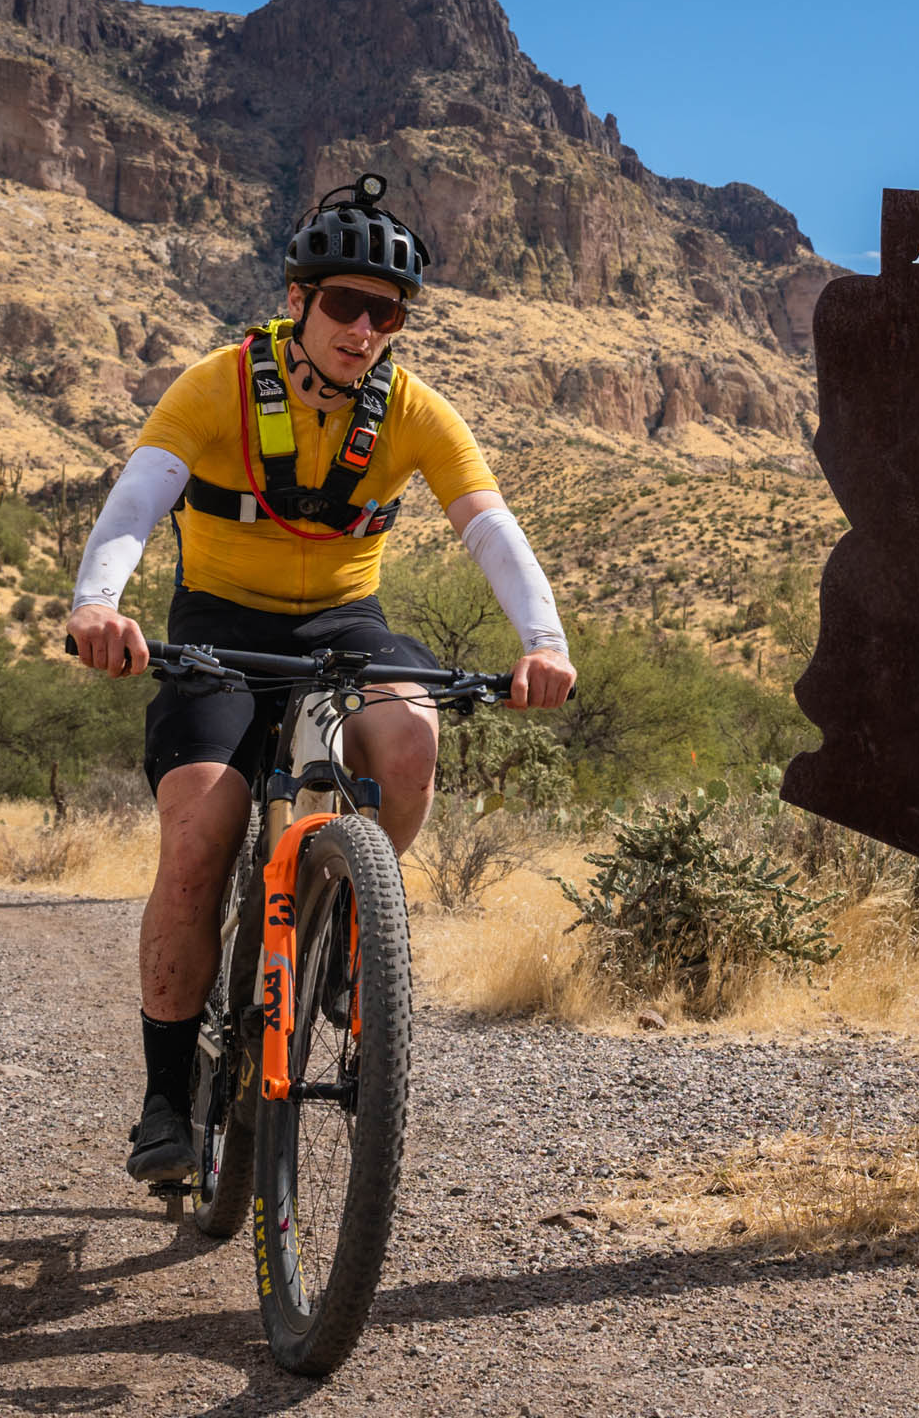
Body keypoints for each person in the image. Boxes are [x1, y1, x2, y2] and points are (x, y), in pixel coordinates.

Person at [64, 174, 577, 1183]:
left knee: (411, 733)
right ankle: (168, 1099)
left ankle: (350, 928)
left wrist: (544, 639)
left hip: (345, 623)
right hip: (218, 622)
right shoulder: (216, 386)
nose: (362, 327)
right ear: (299, 299)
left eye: (385, 313)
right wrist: (97, 603)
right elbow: (133, 505)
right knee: (200, 828)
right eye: (343, 303)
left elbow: (491, 528)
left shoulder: (414, 412)